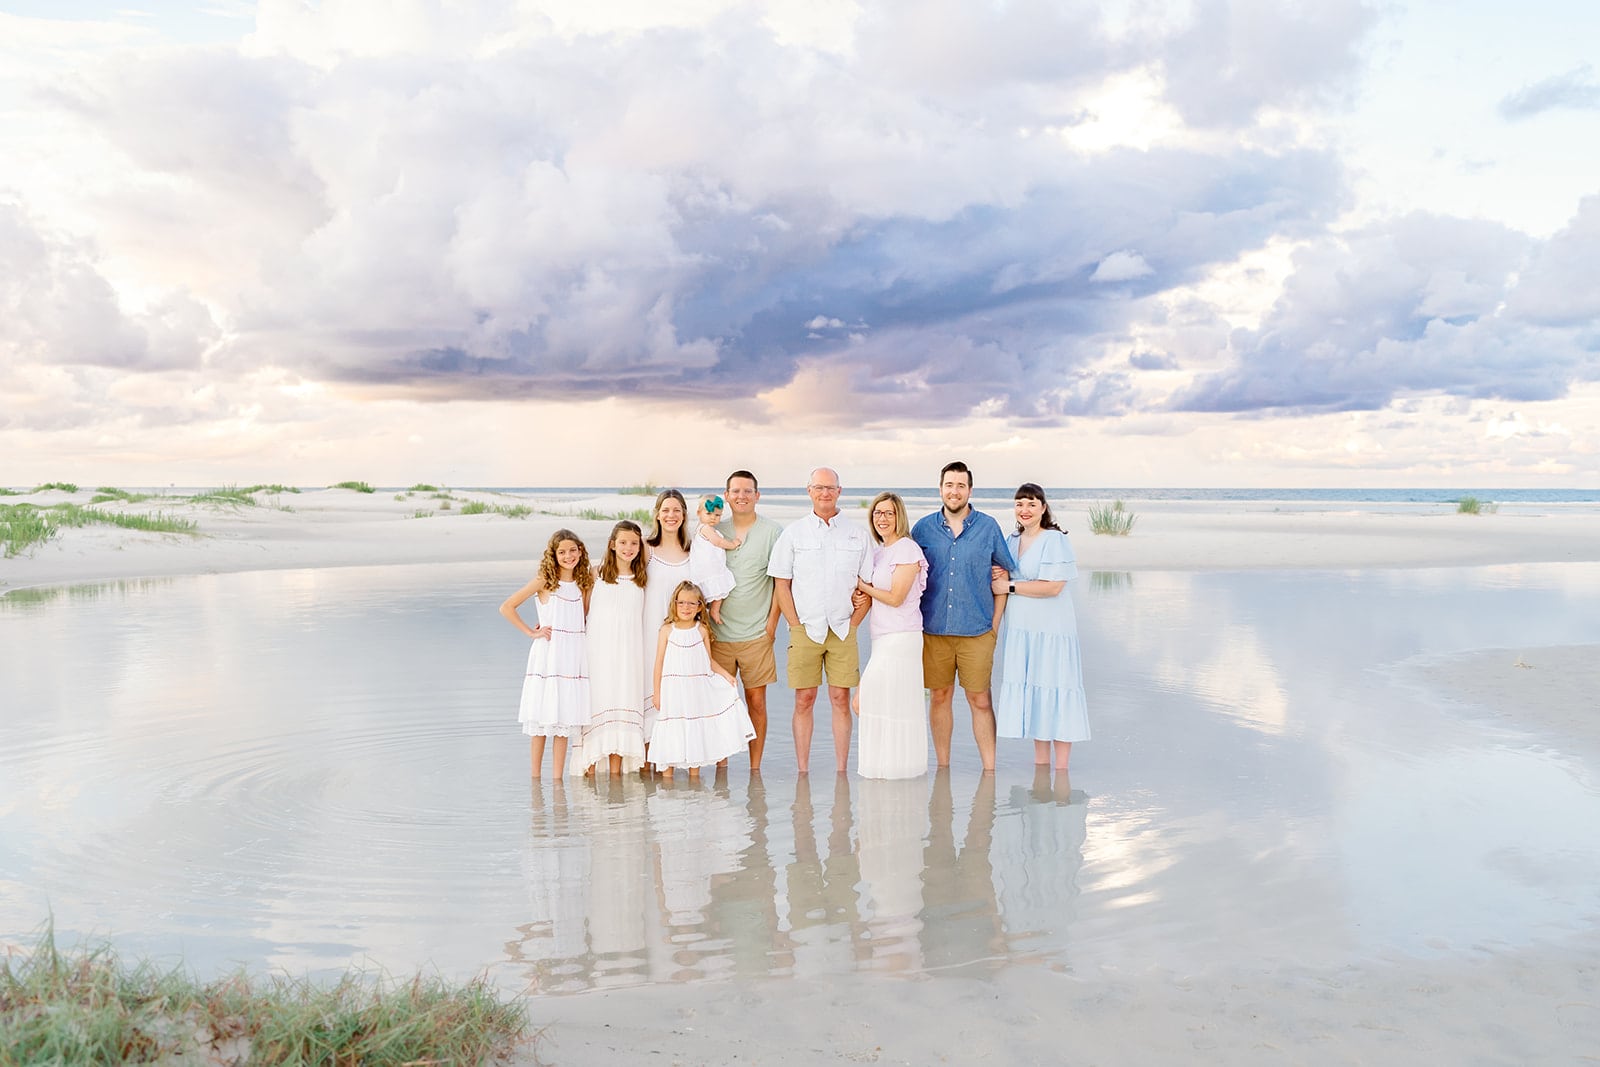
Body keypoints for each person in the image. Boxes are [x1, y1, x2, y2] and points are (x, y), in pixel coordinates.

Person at [911, 461, 1016, 772]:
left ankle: (990, 771)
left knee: (980, 700)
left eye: (960, 485)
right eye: (949, 485)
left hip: (978, 631)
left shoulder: (988, 527)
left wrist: (994, 626)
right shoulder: (923, 529)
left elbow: (1003, 574)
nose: (954, 491)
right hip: (934, 631)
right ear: (940, 489)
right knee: (939, 697)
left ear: (970, 490)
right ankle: (943, 769)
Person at [768, 466, 872, 775]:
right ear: (809, 491)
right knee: (804, 699)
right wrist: (795, 626)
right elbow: (781, 584)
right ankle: (803, 770)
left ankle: (841, 770)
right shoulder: (793, 533)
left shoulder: (857, 534)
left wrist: (854, 624)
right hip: (805, 630)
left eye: (830, 487)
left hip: (843, 629)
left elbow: (867, 584)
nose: (824, 493)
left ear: (839, 491)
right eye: (819, 487)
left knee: (841, 698)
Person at [992, 484, 1089, 771]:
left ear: (1043, 508)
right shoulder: (1011, 540)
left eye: (1031, 504)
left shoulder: (1054, 539)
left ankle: (1062, 772)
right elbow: (999, 573)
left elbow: (1054, 586)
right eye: (1019, 504)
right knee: (1035, 694)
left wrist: (1009, 586)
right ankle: (1041, 768)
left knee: (1056, 688)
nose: (1024, 510)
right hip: (1021, 631)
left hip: (1051, 631)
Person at [501, 529, 593, 777]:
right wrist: (531, 632)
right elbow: (507, 607)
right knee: (541, 721)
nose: (568, 556)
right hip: (548, 655)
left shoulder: (583, 583)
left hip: (572, 656)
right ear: (553, 555)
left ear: (580, 551)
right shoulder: (544, 581)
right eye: (562, 552)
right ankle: (535, 780)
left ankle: (557, 782)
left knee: (563, 721)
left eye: (572, 550)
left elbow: (584, 616)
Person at [708, 470, 783, 770]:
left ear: (757, 495)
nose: (742, 496)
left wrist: (771, 626)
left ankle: (755, 769)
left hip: (756, 635)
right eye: (736, 491)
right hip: (717, 635)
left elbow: (781, 583)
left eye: (748, 491)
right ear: (726, 496)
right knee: (720, 704)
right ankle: (721, 768)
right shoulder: (714, 530)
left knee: (756, 703)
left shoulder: (773, 532)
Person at [853, 492, 930, 779]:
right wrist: (860, 594)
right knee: (884, 701)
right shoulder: (879, 552)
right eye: (877, 513)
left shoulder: (907, 549)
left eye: (889, 513)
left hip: (902, 636)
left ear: (899, 517)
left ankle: (901, 770)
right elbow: (873, 594)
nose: (882, 518)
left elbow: (896, 597)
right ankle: (884, 772)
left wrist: (864, 586)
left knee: (868, 700)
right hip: (882, 637)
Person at [649, 581, 757, 779]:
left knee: (694, 731)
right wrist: (657, 693)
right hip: (673, 691)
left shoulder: (702, 630)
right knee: (671, 731)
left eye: (692, 603)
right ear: (674, 604)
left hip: (695, 691)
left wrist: (726, 675)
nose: (686, 607)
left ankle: (694, 783)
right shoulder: (667, 630)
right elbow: (659, 663)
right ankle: (667, 785)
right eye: (681, 602)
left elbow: (709, 661)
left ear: (699, 606)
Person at [579, 520, 649, 778]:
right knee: (598, 704)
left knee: (623, 701)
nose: (628, 548)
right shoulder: (595, 574)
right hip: (599, 652)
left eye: (634, 543)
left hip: (629, 654)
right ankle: (589, 768)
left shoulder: (642, 578)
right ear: (612, 545)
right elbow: (581, 611)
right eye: (623, 542)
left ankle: (617, 776)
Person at [640, 489, 692, 768]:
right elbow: (613, 573)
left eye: (676, 510)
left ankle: (670, 765)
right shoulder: (646, 548)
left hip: (682, 639)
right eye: (666, 510)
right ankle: (646, 764)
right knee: (649, 696)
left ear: (684, 515)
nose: (671, 515)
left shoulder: (693, 550)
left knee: (676, 697)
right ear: (657, 515)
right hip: (649, 633)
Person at [689, 493, 741, 626]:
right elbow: (718, 542)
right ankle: (714, 610)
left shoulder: (705, 529)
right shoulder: (706, 529)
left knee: (717, 589)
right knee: (720, 585)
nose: (713, 517)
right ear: (699, 513)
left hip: (708, 567)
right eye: (708, 514)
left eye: (717, 515)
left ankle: (710, 611)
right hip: (709, 568)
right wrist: (732, 544)